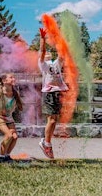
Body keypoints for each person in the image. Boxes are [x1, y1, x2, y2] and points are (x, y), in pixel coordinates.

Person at [38, 28, 69, 159]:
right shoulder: (43, 64)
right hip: (49, 93)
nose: (48, 54)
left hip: (58, 92)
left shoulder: (55, 64)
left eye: (49, 53)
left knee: (54, 120)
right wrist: (43, 39)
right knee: (51, 120)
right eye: (46, 54)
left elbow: (62, 54)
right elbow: (42, 51)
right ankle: (46, 143)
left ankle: (46, 142)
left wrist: (59, 38)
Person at [0, 73, 23, 163]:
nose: (13, 79)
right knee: (9, 135)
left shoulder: (15, 93)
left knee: (14, 137)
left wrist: (19, 106)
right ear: (4, 81)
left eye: (14, 77)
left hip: (8, 117)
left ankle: (6, 155)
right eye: (11, 77)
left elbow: (20, 105)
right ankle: (0, 156)